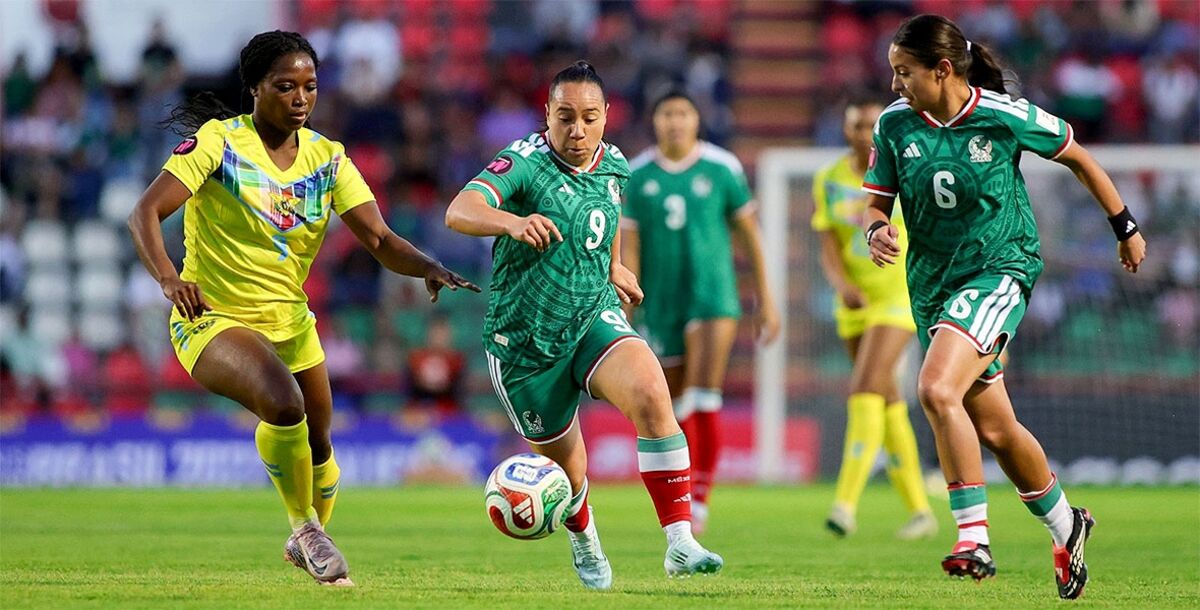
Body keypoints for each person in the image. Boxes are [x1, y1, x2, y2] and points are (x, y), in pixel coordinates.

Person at [127, 30, 478, 587]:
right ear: (254, 88)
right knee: (284, 404)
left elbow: (380, 239)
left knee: (320, 449)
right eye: (285, 86)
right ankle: (306, 528)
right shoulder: (219, 143)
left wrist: (428, 266)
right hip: (212, 318)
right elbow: (144, 212)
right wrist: (170, 279)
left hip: (291, 323)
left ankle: (308, 537)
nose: (300, 98)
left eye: (309, 86)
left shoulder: (328, 159)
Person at [862, 15, 1147, 599]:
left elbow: (1078, 156)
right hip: (932, 285)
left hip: (999, 270)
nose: (895, 84)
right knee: (995, 428)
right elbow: (876, 203)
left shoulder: (1002, 115)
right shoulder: (894, 125)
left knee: (935, 389)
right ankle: (1067, 524)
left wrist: (1125, 226)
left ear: (943, 70)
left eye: (904, 72)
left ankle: (973, 538)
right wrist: (875, 230)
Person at [445, 61, 723, 590]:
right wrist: (512, 221)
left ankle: (680, 542)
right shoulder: (524, 162)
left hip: (592, 315)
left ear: (606, 116)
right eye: (565, 117)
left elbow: (608, 212)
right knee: (570, 475)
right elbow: (460, 210)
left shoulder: (614, 163)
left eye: (589, 118)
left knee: (652, 393)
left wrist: (614, 266)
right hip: (524, 344)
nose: (577, 130)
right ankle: (585, 538)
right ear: (547, 114)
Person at [620, 89, 779, 534]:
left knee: (703, 395)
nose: (675, 122)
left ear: (696, 120)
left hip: (713, 296)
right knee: (671, 405)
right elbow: (629, 246)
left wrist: (765, 299)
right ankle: (684, 492)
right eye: (666, 114)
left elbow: (750, 236)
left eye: (683, 114)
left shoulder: (721, 167)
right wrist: (626, 305)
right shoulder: (637, 175)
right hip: (659, 302)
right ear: (654, 122)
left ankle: (701, 499)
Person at [812, 95, 936, 541]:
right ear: (846, 130)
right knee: (886, 401)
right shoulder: (828, 179)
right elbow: (829, 244)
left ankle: (845, 505)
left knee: (864, 387)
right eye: (856, 124)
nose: (864, 133)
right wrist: (842, 285)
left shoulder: (902, 168)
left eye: (871, 124)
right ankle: (920, 511)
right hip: (854, 303)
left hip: (898, 296)